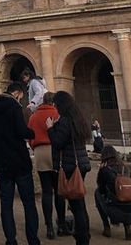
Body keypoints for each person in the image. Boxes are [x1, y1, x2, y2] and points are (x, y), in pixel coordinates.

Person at [0, 81, 41, 245]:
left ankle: (11, 240)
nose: (21, 100)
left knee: (6, 204)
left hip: (1, 160)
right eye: (21, 97)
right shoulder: (14, 106)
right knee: (29, 203)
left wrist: (1, 138)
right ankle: (33, 240)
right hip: (19, 160)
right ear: (17, 93)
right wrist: (32, 132)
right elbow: (22, 131)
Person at [46, 91, 91, 245]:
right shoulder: (79, 119)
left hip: (71, 166)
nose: (55, 107)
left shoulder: (65, 121)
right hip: (81, 164)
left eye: (56, 104)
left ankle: (82, 239)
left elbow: (58, 143)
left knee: (76, 206)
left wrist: (51, 128)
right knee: (80, 202)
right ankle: (85, 235)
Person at [28, 92, 67, 238]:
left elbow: (30, 136)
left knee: (46, 191)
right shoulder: (58, 113)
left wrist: (35, 147)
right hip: (56, 151)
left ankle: (49, 227)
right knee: (59, 190)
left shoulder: (34, 116)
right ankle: (61, 225)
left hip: (39, 152)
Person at [94, 145, 131, 241]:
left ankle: (106, 227)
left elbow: (101, 189)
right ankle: (128, 228)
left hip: (115, 213)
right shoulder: (126, 168)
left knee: (97, 193)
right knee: (125, 196)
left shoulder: (104, 170)